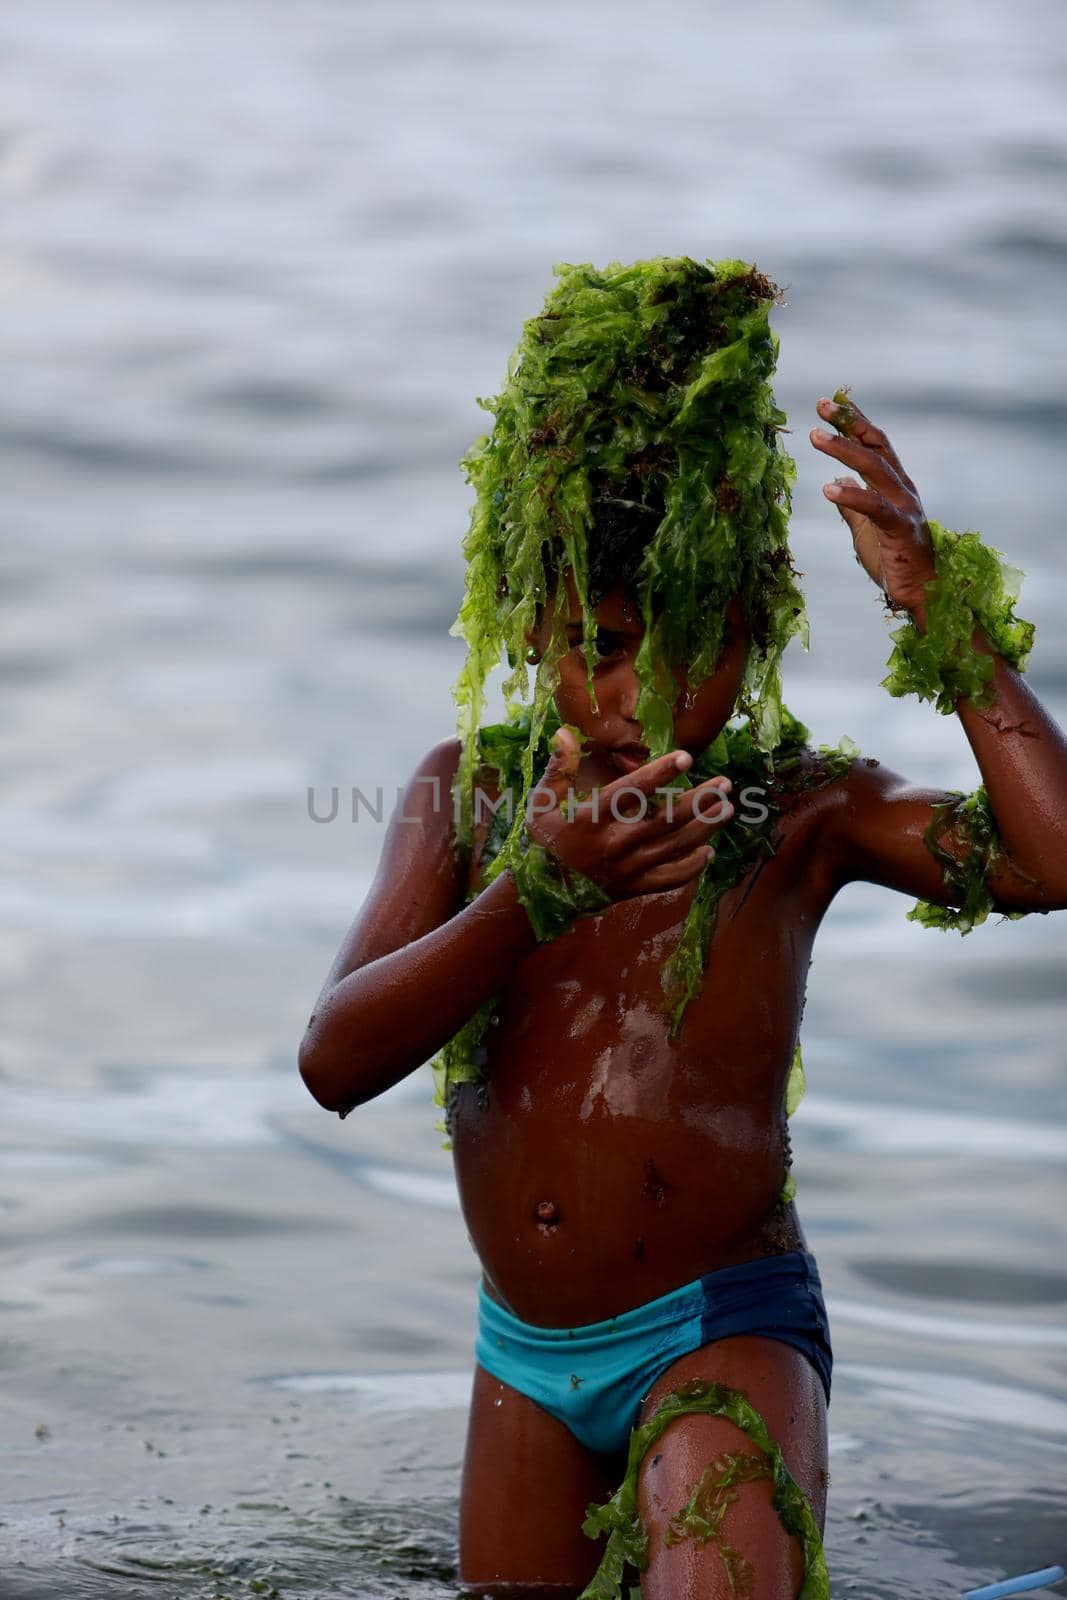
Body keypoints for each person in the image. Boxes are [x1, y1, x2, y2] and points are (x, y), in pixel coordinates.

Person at [298, 258, 1067, 1600]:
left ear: (763, 626)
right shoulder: (468, 794)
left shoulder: (802, 812)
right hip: (521, 1359)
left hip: (723, 1329)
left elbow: (1052, 861)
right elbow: (334, 1062)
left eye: (691, 646)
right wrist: (532, 895)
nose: (641, 695)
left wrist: (940, 612)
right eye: (600, 642)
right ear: (532, 626)